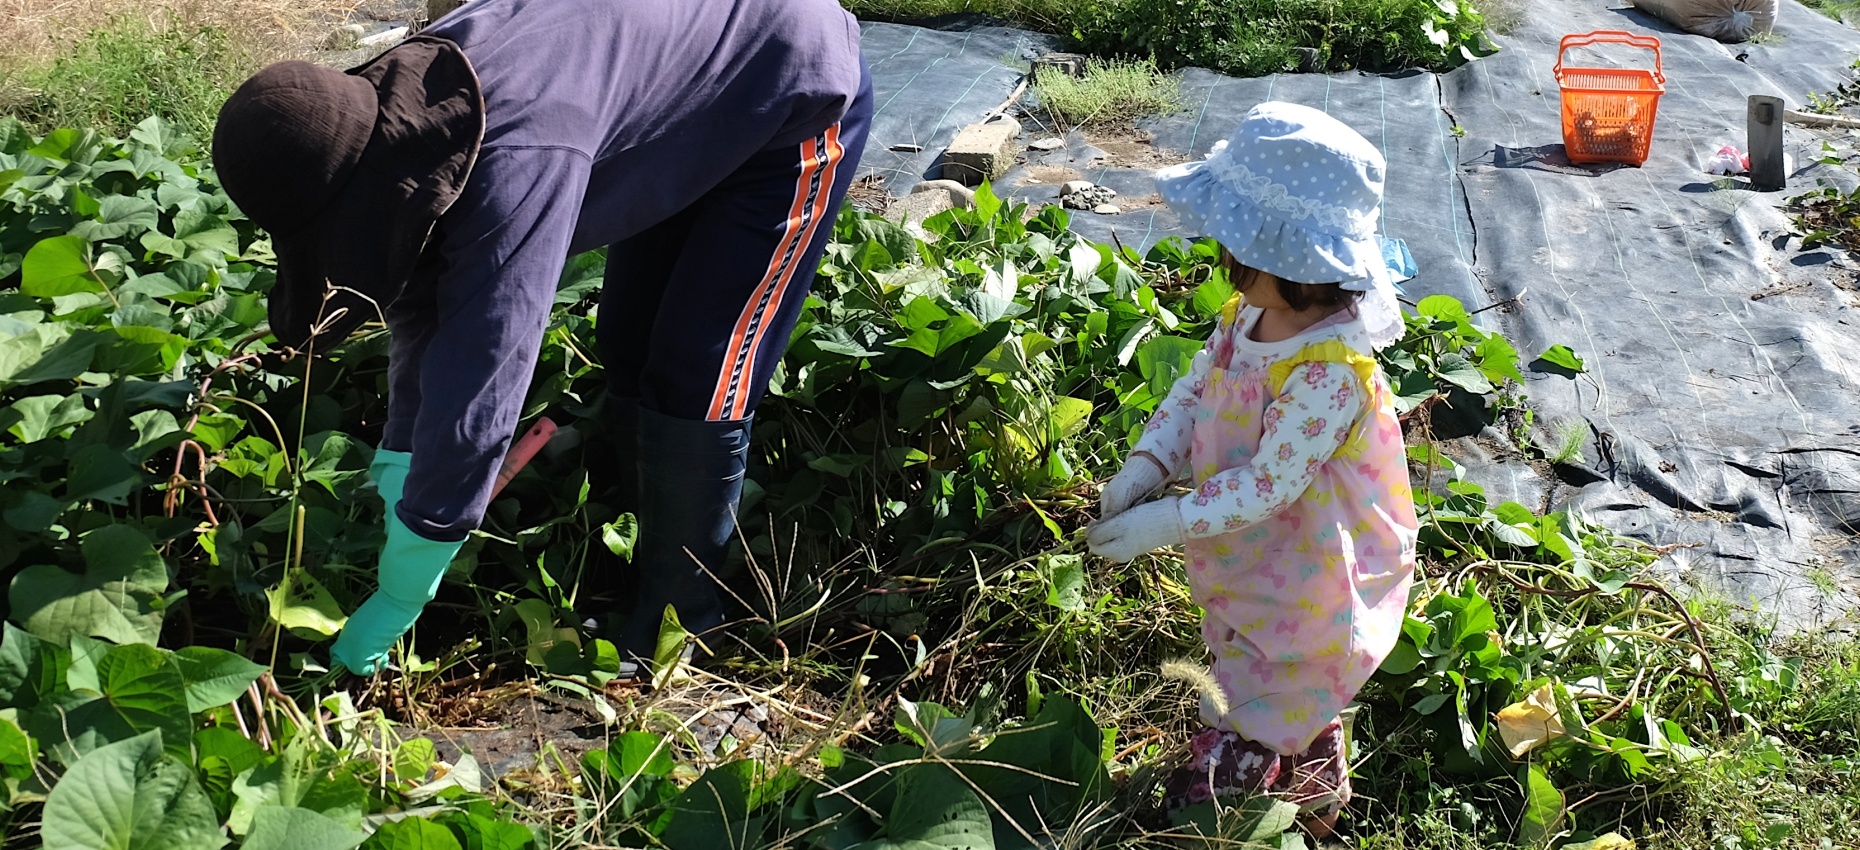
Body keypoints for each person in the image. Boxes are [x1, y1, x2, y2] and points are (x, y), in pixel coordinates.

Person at [209, 0, 872, 676]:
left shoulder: (518, 153)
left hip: (791, 91)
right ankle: (644, 549)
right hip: (683, 96)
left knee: (700, 367)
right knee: (625, 337)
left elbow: (488, 359)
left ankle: (683, 620)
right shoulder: (401, 113)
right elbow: (419, 287)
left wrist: (410, 575)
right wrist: (402, 458)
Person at [1086, 102, 1420, 834]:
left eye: (1239, 245)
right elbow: (1199, 384)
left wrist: (1166, 519)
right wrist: (1147, 465)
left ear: (1288, 258)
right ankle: (1315, 773)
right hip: (1254, 546)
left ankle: (1225, 794)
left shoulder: (1331, 368)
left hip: (1313, 560)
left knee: (1284, 665)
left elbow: (1271, 484)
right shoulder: (1250, 317)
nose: (1226, 257)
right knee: (1247, 643)